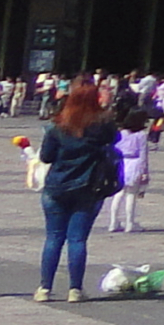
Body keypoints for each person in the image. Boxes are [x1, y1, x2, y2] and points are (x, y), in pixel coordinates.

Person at [32, 86, 119, 302]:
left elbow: (46, 157)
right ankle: (75, 289)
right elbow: (115, 140)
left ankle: (44, 288)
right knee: (78, 240)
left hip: (56, 187)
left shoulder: (57, 125)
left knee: (53, 238)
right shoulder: (101, 126)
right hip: (88, 188)